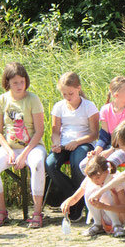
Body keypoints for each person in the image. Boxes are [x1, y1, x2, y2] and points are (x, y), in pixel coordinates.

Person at [0, 62, 46, 228]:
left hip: (33, 147)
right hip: (9, 147)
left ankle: (37, 212)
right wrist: (9, 151)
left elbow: (40, 131)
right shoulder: (1, 100)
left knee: (38, 164)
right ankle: (2, 211)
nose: (19, 86)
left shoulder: (32, 99)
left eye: (22, 81)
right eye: (15, 83)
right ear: (7, 83)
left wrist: (24, 154)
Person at [45, 72, 99, 222]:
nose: (68, 97)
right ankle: (77, 198)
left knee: (77, 162)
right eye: (64, 94)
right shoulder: (59, 107)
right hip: (64, 144)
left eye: (71, 93)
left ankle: (77, 203)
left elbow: (94, 134)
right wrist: (56, 143)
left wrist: (77, 142)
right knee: (50, 164)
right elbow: (55, 132)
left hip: (83, 143)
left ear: (79, 89)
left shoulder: (89, 106)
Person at [79, 76, 125, 173]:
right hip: (109, 147)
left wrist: (111, 151)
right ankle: (99, 186)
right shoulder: (105, 109)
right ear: (116, 94)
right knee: (84, 165)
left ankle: (113, 187)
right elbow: (104, 135)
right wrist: (97, 151)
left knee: (109, 164)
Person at [61, 155, 125, 237]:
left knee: (104, 193)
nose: (95, 181)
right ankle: (98, 224)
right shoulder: (90, 180)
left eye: (98, 177)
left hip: (117, 214)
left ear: (106, 172)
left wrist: (103, 206)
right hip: (101, 214)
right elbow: (76, 197)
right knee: (89, 191)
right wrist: (67, 202)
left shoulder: (114, 179)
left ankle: (117, 225)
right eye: (91, 178)